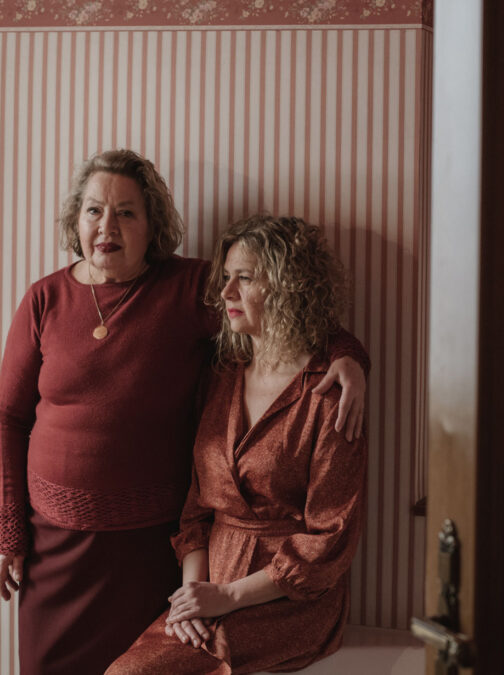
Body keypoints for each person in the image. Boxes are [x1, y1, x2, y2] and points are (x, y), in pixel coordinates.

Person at [0, 151, 368, 674]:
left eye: (126, 212)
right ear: (76, 219)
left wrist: (349, 355)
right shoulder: (44, 298)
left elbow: (285, 312)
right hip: (51, 540)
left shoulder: (188, 289)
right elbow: (8, 418)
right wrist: (9, 528)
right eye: (94, 210)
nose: (107, 226)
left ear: (153, 228)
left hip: (146, 546)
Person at [105, 215, 368, 674]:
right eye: (226, 277)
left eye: (244, 278)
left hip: (291, 598)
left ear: (288, 287)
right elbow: (196, 511)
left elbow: (331, 537)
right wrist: (192, 598)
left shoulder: (329, 392)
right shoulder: (222, 374)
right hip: (211, 582)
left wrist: (227, 597)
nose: (225, 292)